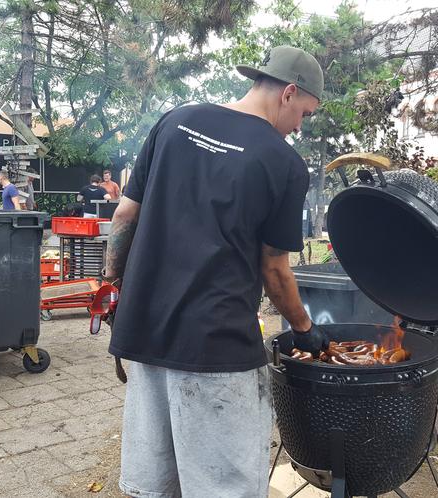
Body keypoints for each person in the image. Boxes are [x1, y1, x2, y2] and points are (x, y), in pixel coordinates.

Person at [103, 45, 330, 498]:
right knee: (224, 487)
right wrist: (305, 330)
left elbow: (124, 217)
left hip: (147, 330)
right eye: (304, 113)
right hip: (216, 344)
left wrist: (114, 288)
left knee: (155, 483)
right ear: (288, 93)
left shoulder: (175, 119)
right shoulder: (284, 164)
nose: (300, 127)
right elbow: (275, 269)